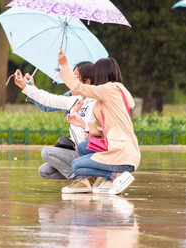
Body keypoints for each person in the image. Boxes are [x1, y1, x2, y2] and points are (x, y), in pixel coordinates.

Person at [57, 50, 140, 195]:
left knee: (76, 165)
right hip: (123, 149)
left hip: (121, 152)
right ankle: (110, 180)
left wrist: (65, 66)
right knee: (83, 147)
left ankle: (118, 175)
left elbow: (79, 88)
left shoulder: (110, 89)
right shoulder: (113, 92)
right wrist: (82, 123)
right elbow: (102, 128)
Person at [13, 63, 97, 193]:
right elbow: (48, 101)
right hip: (78, 150)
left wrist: (74, 113)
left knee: (47, 152)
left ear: (88, 81)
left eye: (75, 77)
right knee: (45, 171)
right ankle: (89, 178)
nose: (70, 81)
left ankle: (81, 181)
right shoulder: (74, 99)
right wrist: (27, 87)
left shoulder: (97, 102)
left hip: (90, 153)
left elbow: (88, 132)